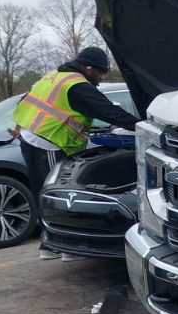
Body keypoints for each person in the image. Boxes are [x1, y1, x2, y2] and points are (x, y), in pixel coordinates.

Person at [11, 46, 140, 259]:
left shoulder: (54, 76)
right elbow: (109, 112)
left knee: (42, 192)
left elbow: (25, 101)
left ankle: (53, 245)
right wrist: (142, 125)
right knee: (57, 196)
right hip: (49, 142)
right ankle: (60, 246)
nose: (100, 77)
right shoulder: (77, 86)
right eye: (99, 72)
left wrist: (20, 128)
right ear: (88, 68)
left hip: (31, 137)